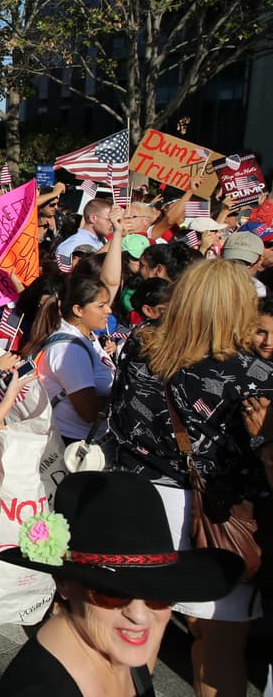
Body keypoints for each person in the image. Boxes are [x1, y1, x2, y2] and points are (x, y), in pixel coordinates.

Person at [104, 258, 271, 697]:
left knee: (136, 629)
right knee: (218, 644)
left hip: (137, 500)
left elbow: (117, 416)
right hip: (214, 511)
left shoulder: (139, 345)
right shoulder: (252, 373)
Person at [0, 472, 242, 697]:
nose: (139, 615)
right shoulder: (40, 690)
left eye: (158, 595)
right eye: (111, 593)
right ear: (64, 582)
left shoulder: (119, 652)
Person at [22, 275, 117, 445]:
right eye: (101, 305)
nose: (109, 310)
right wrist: (123, 396)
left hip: (91, 438)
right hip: (73, 443)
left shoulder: (86, 335)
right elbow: (88, 412)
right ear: (78, 310)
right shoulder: (70, 351)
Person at [55, 198, 115, 264]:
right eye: (108, 219)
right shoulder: (71, 245)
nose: (112, 224)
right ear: (93, 218)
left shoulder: (104, 241)